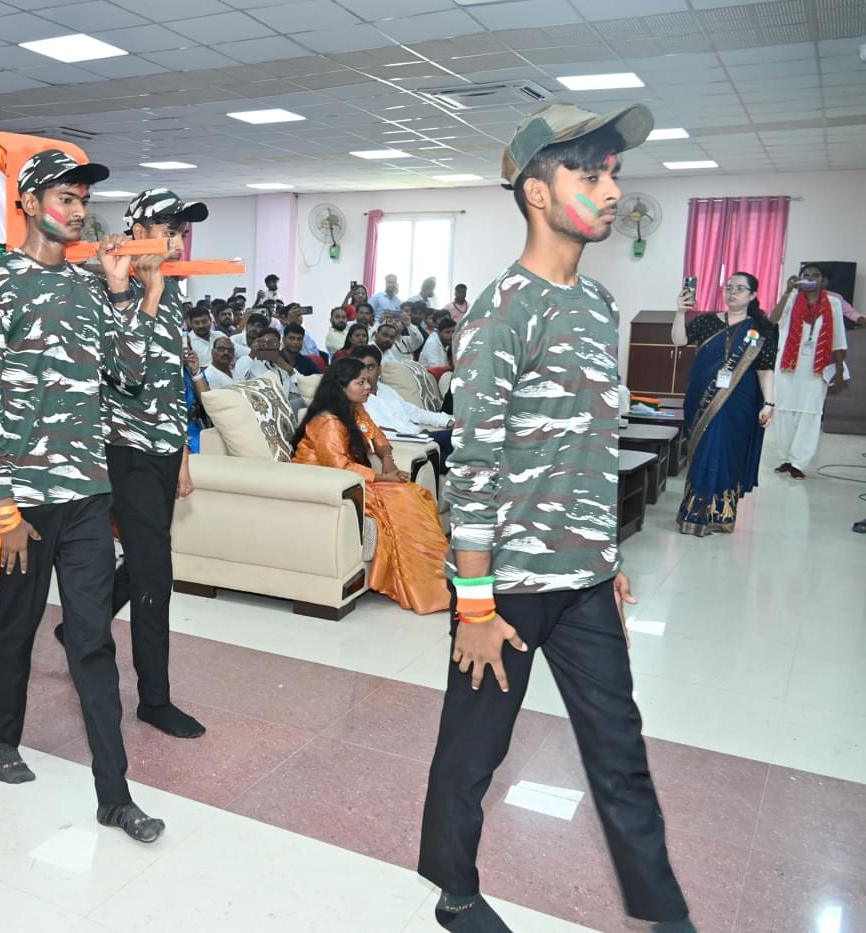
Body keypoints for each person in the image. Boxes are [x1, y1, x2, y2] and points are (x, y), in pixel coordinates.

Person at [418, 102, 695, 933]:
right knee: (472, 754)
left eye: (614, 171)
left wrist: (607, 559)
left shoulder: (599, 304)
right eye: (591, 172)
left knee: (621, 751)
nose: (613, 189)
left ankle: (664, 910)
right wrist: (472, 603)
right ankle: (454, 890)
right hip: (503, 587)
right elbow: (474, 466)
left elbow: (588, 446)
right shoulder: (504, 310)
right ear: (538, 192)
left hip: (583, 581)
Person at [0, 149, 166, 843]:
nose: (78, 210)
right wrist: (4, 502)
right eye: (65, 197)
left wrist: (120, 293)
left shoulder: (87, 283)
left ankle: (115, 793)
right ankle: (0, 737)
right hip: (24, 495)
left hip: (85, 491)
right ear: (28, 203)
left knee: (92, 643)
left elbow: (132, 375)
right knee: (14, 626)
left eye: (83, 200)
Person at [66, 186, 209, 740]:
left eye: (181, 228)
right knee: (156, 571)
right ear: (139, 229)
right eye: (168, 226)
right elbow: (125, 371)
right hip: (122, 445)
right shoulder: (101, 283)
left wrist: (182, 456)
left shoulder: (172, 287)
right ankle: (154, 699)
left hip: (162, 445)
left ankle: (85, 625)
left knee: (148, 561)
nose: (177, 237)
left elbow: (170, 381)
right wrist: (140, 293)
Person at [291, 358, 448, 613]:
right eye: (360, 382)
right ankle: (426, 585)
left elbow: (378, 436)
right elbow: (338, 466)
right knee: (403, 500)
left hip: (349, 480)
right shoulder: (328, 421)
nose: (368, 386)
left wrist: (387, 460)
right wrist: (386, 479)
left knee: (415, 493)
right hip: (325, 484)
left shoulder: (354, 409)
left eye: (367, 380)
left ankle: (437, 574)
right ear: (341, 387)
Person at [671, 272, 779, 535]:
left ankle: (721, 513)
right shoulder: (707, 321)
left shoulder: (762, 329)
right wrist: (679, 312)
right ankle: (694, 513)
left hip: (739, 401)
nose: (732, 293)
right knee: (702, 450)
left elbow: (765, 369)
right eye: (729, 287)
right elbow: (679, 340)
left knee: (727, 453)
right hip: (701, 398)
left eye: (740, 289)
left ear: (753, 295)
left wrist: (769, 402)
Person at [768, 264, 848, 478]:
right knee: (784, 412)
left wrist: (839, 369)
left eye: (815, 276)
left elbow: (839, 337)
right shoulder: (791, 299)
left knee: (810, 415)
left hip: (816, 368)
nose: (810, 279)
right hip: (787, 366)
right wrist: (787, 291)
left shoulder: (833, 303)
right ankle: (785, 458)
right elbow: (772, 320)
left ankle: (799, 463)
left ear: (824, 281)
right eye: (806, 276)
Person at [350, 345, 455, 470]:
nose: (365, 374)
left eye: (370, 367)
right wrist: (415, 437)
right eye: (360, 368)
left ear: (379, 370)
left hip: (421, 438)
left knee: (462, 436)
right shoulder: (355, 399)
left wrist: (447, 421)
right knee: (458, 462)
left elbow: (415, 412)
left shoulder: (386, 390)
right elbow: (375, 434)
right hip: (406, 444)